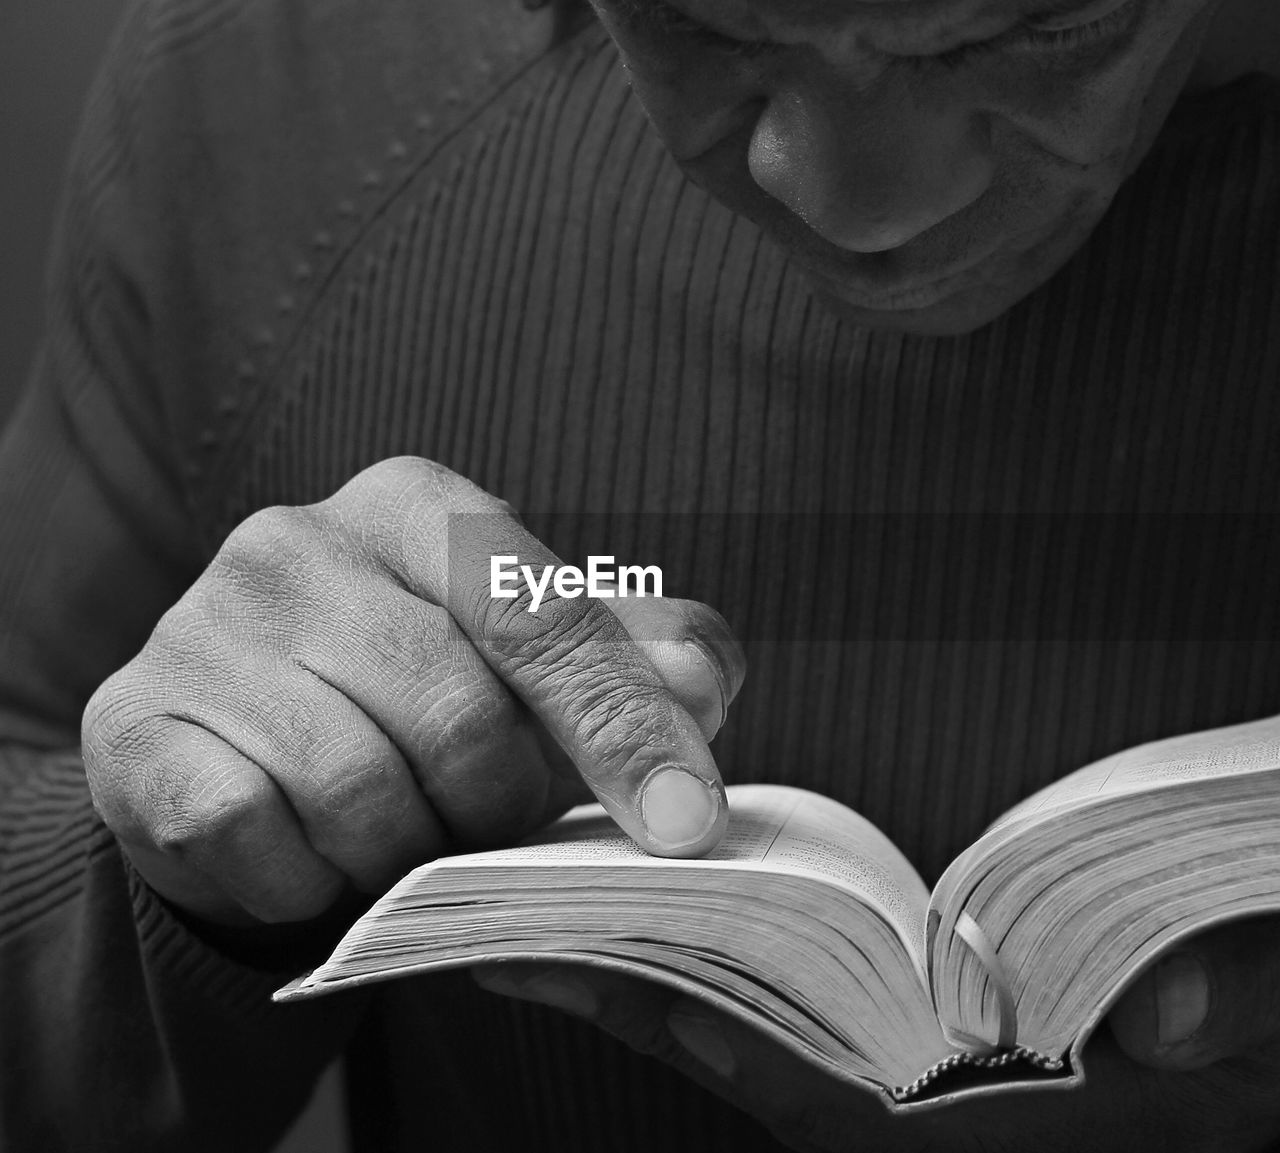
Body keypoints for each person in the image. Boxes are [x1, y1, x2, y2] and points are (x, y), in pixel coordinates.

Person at [1, 0, 1279, 1147]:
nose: (856, 205)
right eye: (697, 28)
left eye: (1031, 29)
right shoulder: (265, 79)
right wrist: (199, 852)